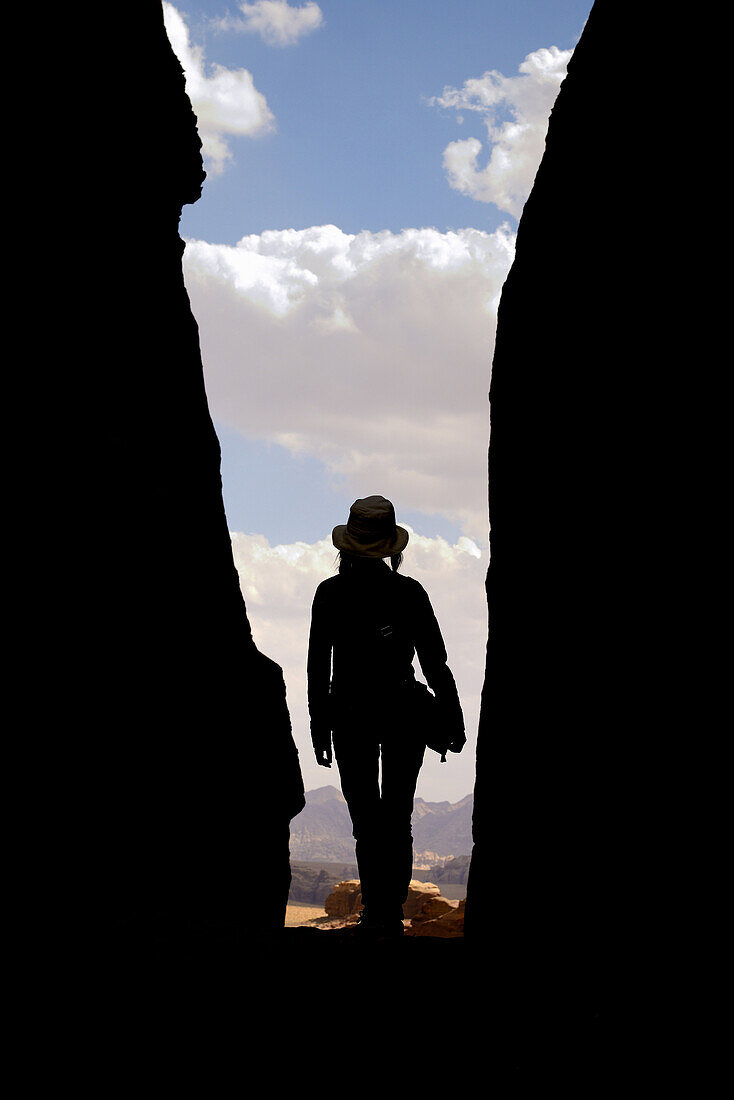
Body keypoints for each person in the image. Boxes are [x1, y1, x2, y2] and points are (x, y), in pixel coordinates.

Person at [307, 495, 465, 937]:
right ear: (393, 548)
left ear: (346, 547)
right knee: (397, 817)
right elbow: (436, 664)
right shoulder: (409, 593)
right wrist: (453, 720)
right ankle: (388, 915)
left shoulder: (330, 594)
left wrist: (320, 726)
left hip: (350, 716)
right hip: (403, 715)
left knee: (367, 821)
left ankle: (377, 915)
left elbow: (318, 669)